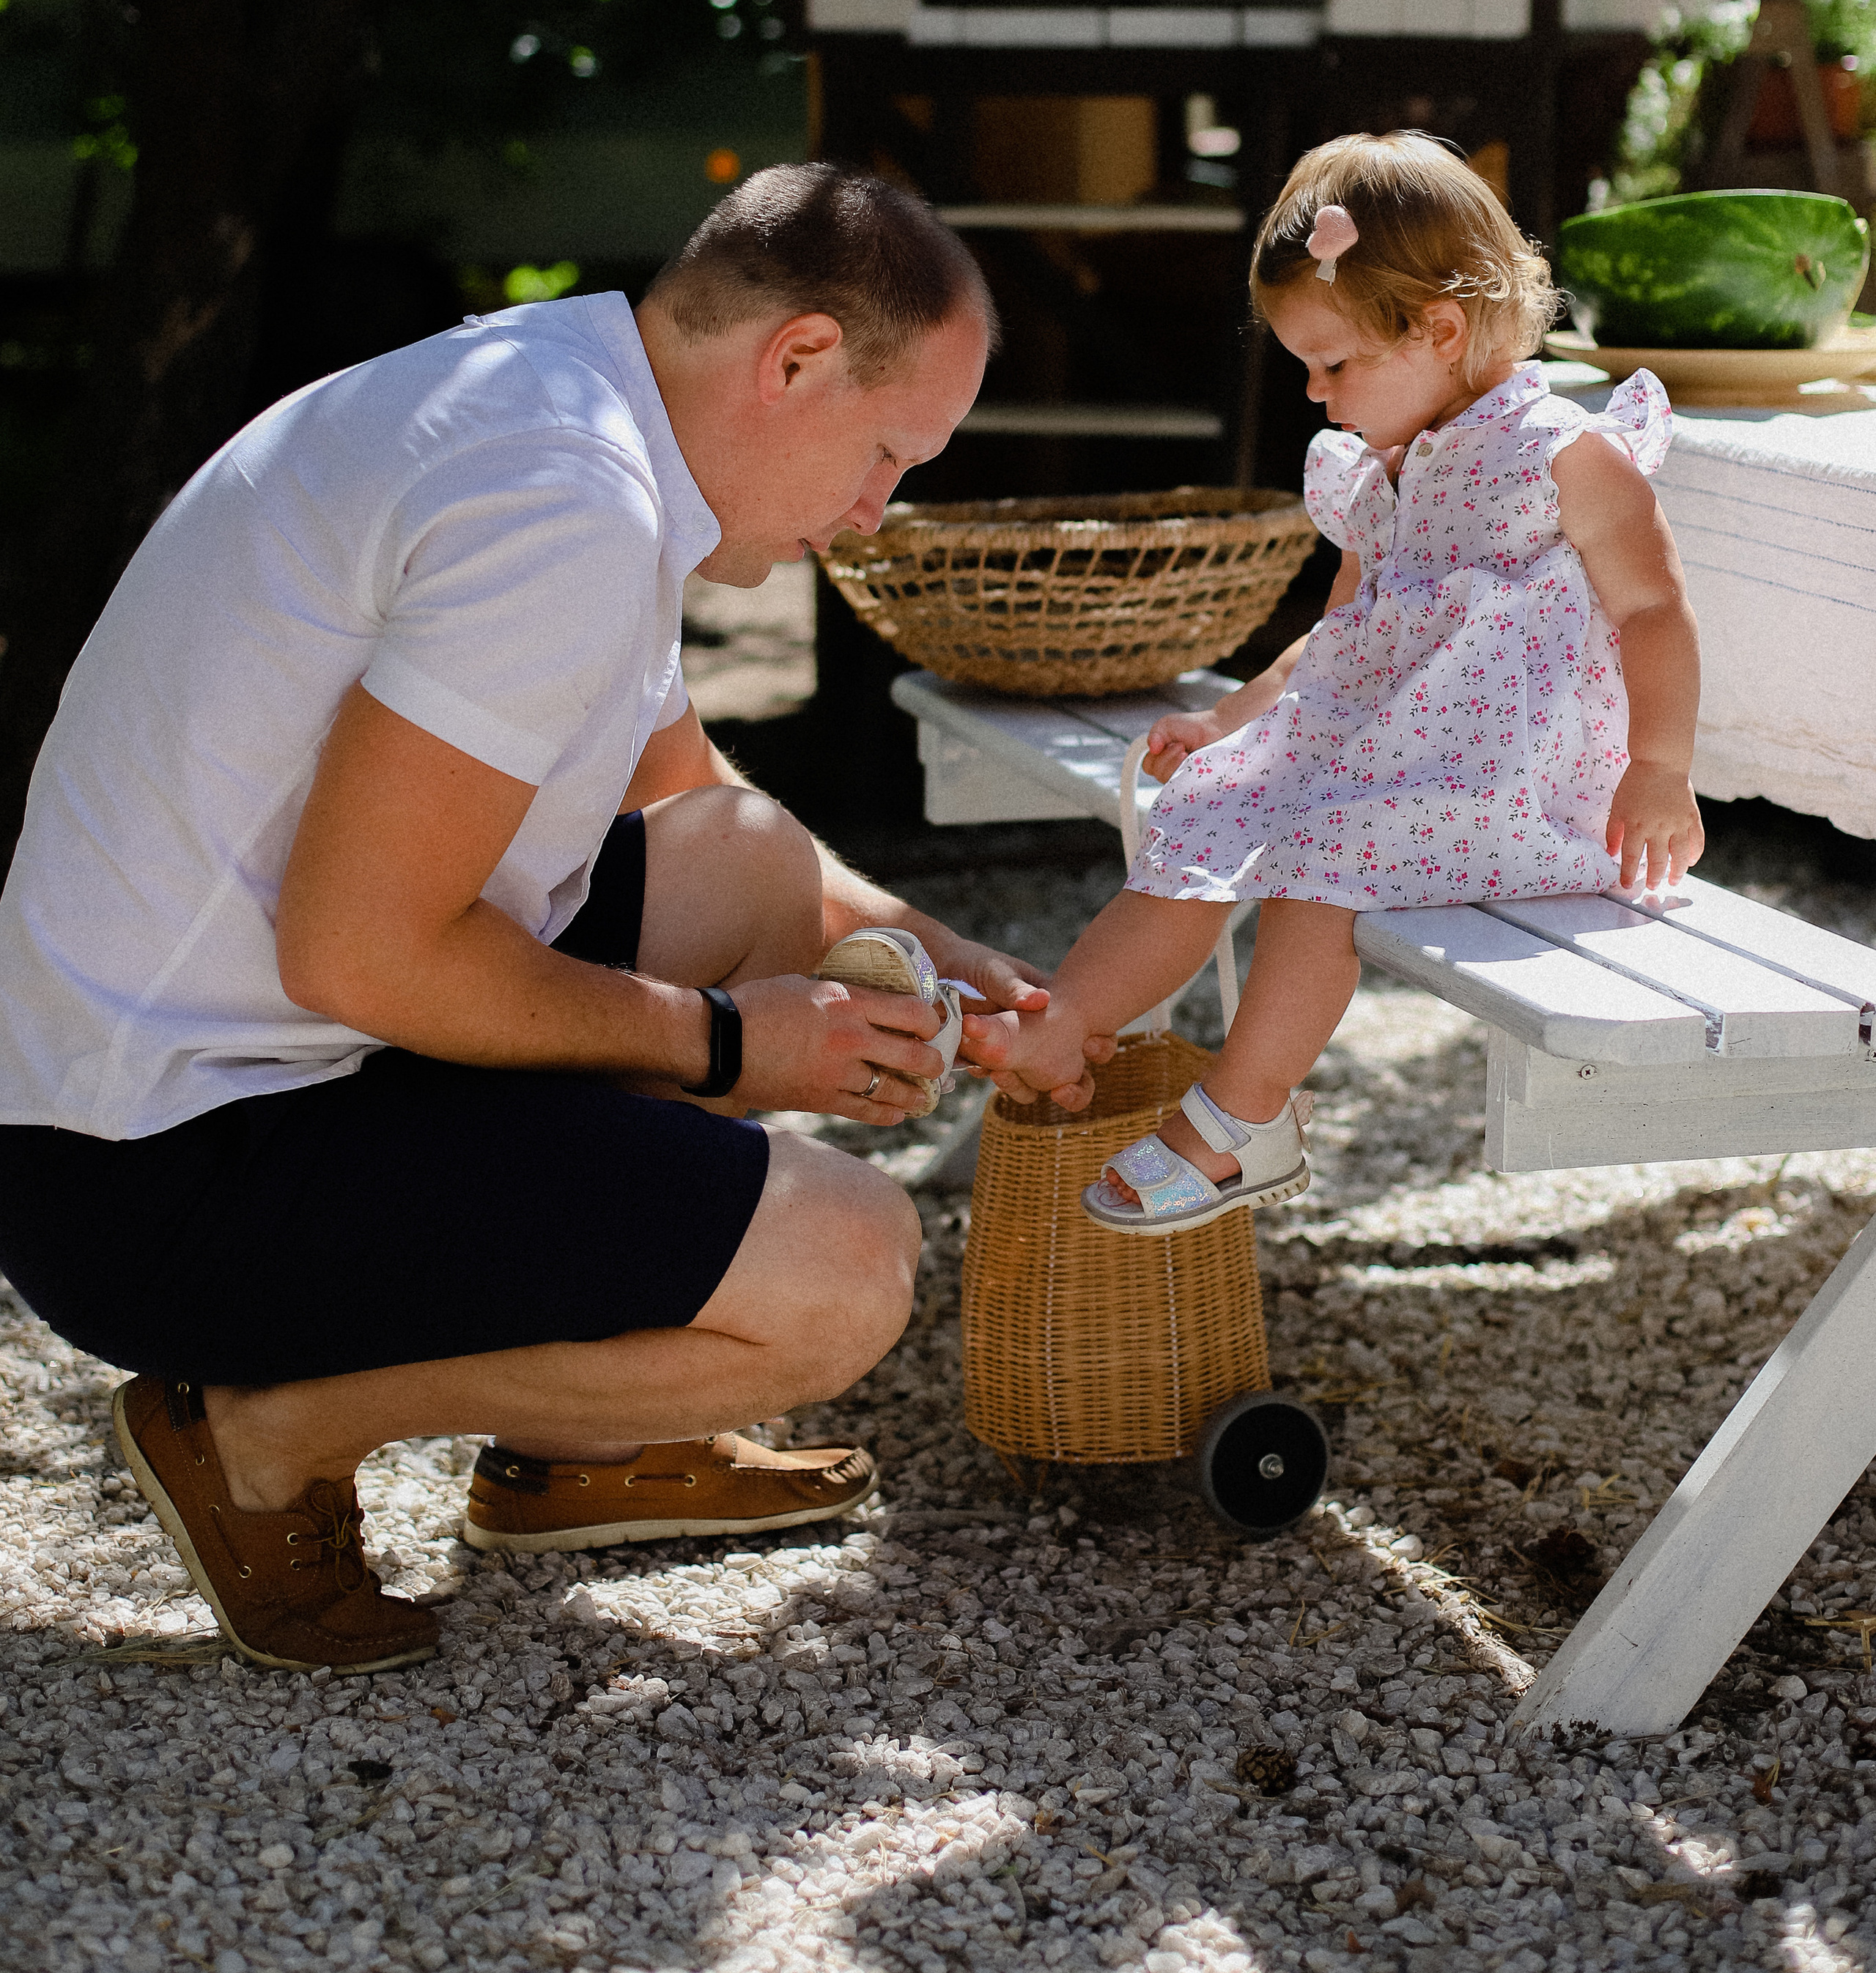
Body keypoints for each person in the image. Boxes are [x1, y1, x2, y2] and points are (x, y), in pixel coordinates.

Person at [0, 164, 1063, 1675]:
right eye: (886, 456)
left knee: (752, 866)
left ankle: (572, 1453)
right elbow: (363, 955)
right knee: (843, 1275)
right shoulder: (564, 499)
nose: (872, 516)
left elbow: (682, 786)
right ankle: (256, 1429)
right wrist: (723, 1050)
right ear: (799, 358)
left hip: (195, 1069)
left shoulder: (572, 396)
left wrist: (927, 945)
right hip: (158, 1172)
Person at [986, 131, 1702, 1234]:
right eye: (1304, 369)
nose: (1316, 396)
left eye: (1334, 365)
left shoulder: (1565, 455)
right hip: (1392, 759)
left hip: (1514, 790)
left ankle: (1241, 1121)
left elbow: (1654, 609)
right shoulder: (1385, 470)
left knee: (1323, 856)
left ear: (1442, 330)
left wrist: (1659, 767)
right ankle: (1067, 1019)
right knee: (1214, 803)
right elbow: (1344, 637)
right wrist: (1233, 720)